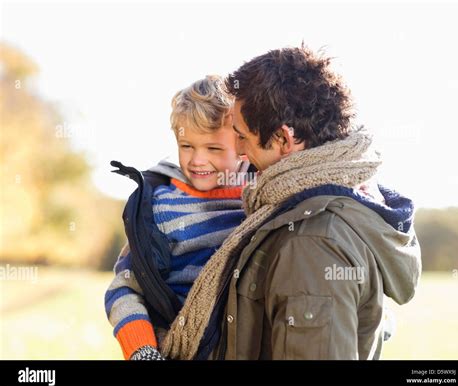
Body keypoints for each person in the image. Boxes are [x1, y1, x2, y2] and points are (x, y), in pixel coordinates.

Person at [159, 46, 422, 360]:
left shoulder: (311, 241)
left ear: (284, 139)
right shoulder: (326, 206)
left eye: (242, 136)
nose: (239, 152)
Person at [104, 75, 251, 360]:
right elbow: (124, 286)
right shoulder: (160, 206)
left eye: (214, 148)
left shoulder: (261, 198)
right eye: (187, 146)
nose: (197, 160)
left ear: (244, 145)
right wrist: (143, 350)